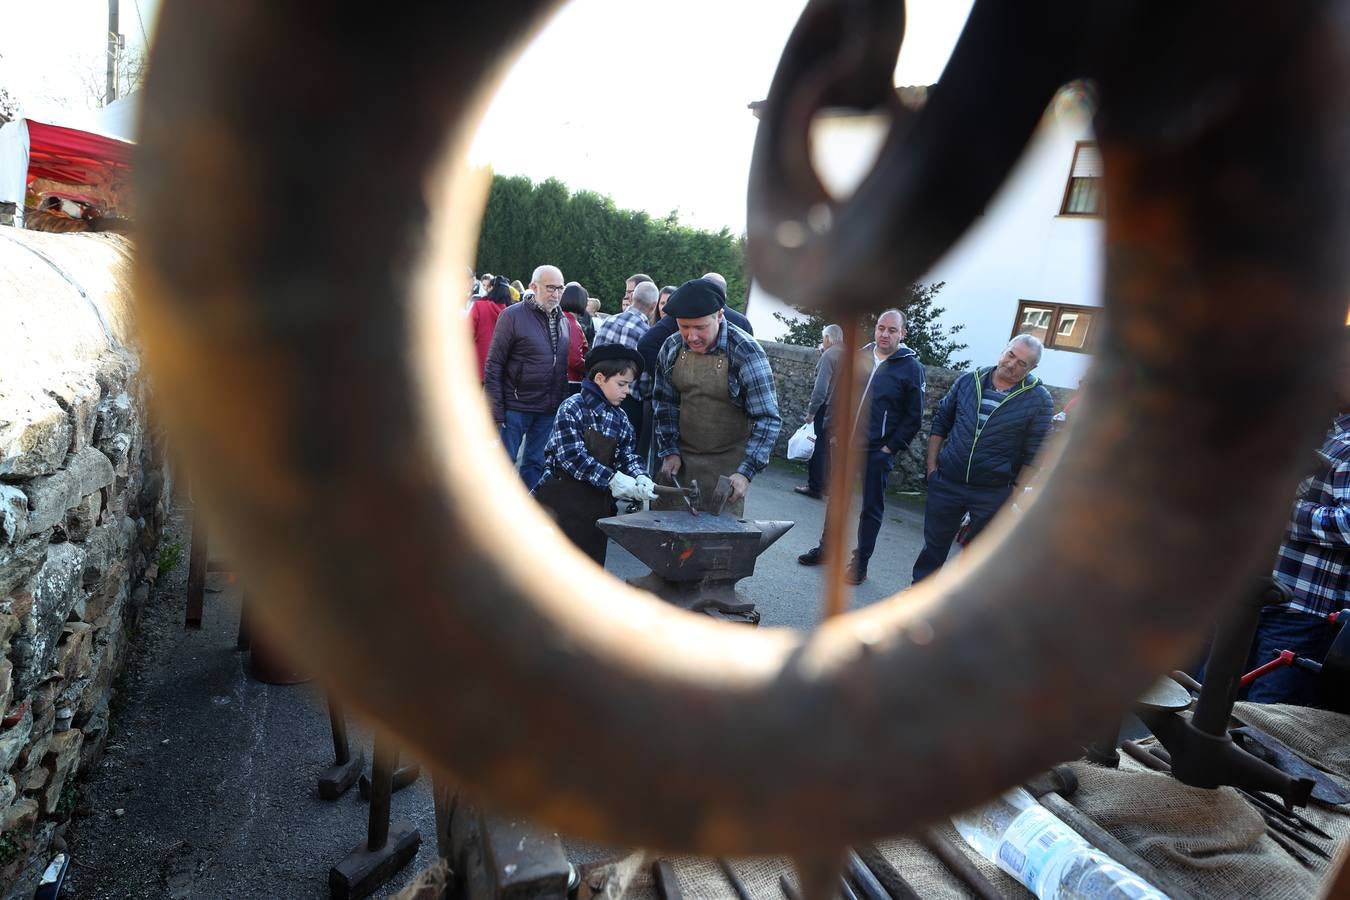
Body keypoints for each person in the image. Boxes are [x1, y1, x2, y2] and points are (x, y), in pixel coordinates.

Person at [1244, 343, 1350, 706]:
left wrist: (1284, 513)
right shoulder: (1329, 430)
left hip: (1305, 613)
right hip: (1264, 599)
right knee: (1217, 704)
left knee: (1262, 721)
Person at [911, 334, 1053, 583]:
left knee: (977, 557)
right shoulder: (969, 380)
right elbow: (942, 422)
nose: (1012, 364)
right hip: (948, 481)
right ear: (1004, 349)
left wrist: (1013, 495)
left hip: (992, 491)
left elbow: (1035, 453)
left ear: (1032, 368)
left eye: (1022, 363)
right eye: (1011, 355)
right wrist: (932, 468)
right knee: (933, 548)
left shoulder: (1039, 400)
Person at [797, 312, 926, 583]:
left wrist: (890, 449)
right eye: (881, 328)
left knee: (870, 509)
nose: (885, 334)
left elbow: (914, 416)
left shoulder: (911, 368)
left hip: (877, 451)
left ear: (902, 334)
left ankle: (860, 564)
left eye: (892, 330)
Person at [652, 278, 781, 517]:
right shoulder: (671, 347)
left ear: (720, 315)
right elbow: (664, 404)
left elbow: (767, 418)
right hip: (681, 464)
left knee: (716, 549)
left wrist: (745, 472)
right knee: (669, 544)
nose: (691, 336)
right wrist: (668, 450)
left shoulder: (745, 351)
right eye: (684, 327)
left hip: (727, 472)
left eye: (700, 327)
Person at [532, 345, 658, 565]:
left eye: (629, 385)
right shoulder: (572, 408)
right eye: (622, 384)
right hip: (558, 503)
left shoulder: (621, 419)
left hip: (595, 510)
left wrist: (640, 476)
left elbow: (626, 455)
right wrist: (612, 479)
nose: (627, 391)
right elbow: (572, 457)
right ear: (600, 378)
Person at [484, 264, 572, 489]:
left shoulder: (563, 320)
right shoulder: (512, 315)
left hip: (547, 409)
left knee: (536, 465)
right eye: (550, 287)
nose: (556, 293)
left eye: (560, 288)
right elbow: (494, 364)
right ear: (533, 286)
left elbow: (560, 367)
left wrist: (559, 405)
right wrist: (495, 408)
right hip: (515, 406)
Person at [594, 281, 657, 435]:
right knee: (625, 450)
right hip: (629, 400)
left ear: (632, 298)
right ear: (654, 305)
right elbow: (645, 377)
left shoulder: (607, 321)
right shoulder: (646, 333)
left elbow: (593, 355)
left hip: (599, 393)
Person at [794, 323, 846, 499]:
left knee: (820, 447)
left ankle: (815, 486)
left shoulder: (830, 355)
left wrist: (811, 412)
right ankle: (828, 487)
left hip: (827, 407)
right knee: (833, 448)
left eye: (823, 339)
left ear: (827, 338)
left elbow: (821, 388)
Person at [467, 276, 513, 381]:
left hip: (478, 364)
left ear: (492, 288)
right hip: (504, 367)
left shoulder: (479, 306)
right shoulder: (513, 312)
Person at [560, 282, 592, 383]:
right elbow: (575, 360)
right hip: (571, 379)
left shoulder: (557, 317)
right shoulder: (573, 325)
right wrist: (591, 369)